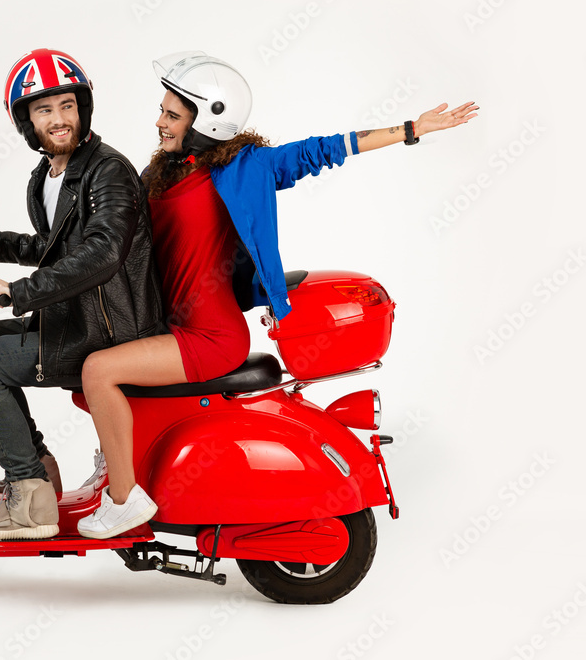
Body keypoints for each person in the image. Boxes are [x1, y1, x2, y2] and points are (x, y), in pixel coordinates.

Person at [76, 51, 478, 539]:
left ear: (208, 121)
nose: (159, 121)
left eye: (172, 114)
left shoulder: (248, 168)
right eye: (162, 110)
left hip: (209, 336)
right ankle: (122, 462)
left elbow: (322, 149)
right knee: (88, 353)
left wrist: (411, 128)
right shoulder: (161, 174)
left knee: (98, 371)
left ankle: (123, 501)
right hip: (167, 326)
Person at [0, 48, 163, 540]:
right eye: (44, 109)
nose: (59, 119)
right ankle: (37, 470)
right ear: (26, 120)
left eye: (67, 105)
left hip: (109, 328)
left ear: (82, 108)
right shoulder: (47, 176)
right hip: (78, 316)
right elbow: (56, 249)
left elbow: (102, 253)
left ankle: (29, 502)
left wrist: (18, 293)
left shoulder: (107, 170)